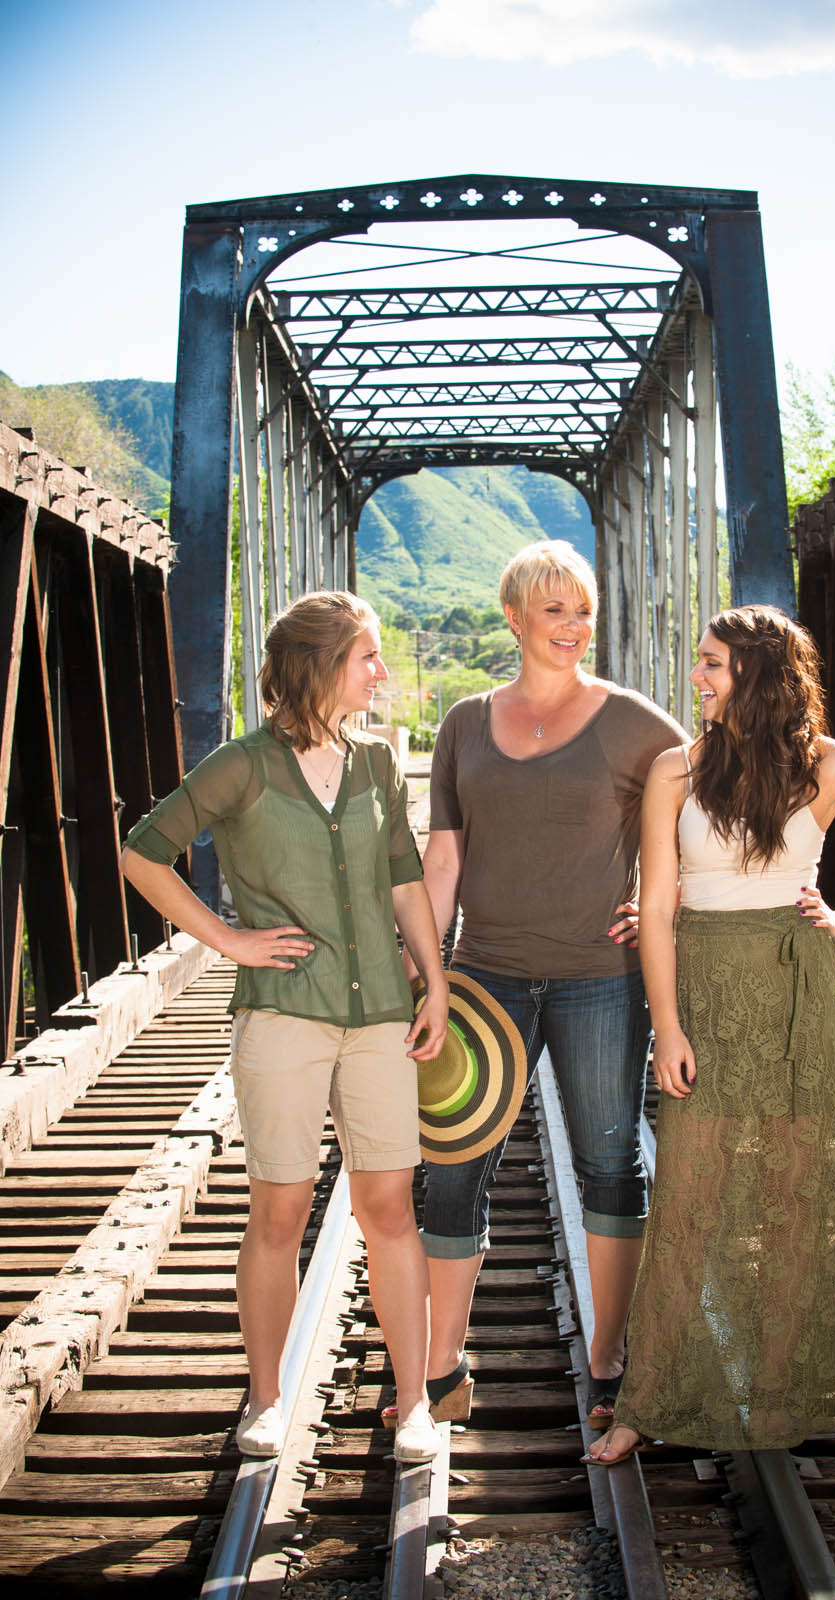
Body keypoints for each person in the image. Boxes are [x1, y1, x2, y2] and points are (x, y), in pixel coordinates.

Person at [587, 603, 835, 1465]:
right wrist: (666, 1027)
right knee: (691, 1199)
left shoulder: (831, 766)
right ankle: (650, 1399)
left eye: (711, 663)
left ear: (754, 673)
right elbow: (659, 905)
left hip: (794, 992)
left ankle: (781, 1394)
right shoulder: (677, 768)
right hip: (702, 987)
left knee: (794, 1194)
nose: (698, 676)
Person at [120, 590, 449, 1465]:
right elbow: (140, 850)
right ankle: (264, 1401)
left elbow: (403, 878)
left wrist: (436, 981)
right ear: (319, 666)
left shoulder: (376, 763)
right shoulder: (242, 766)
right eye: (368, 656)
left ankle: (412, 1403)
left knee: (388, 1206)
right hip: (282, 1016)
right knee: (280, 1207)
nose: (382, 671)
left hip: (379, 1010)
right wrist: (226, 938)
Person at [389, 540, 687, 1431]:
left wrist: (668, 904)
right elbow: (443, 856)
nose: (572, 626)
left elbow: (711, 817)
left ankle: (607, 1356)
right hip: (486, 978)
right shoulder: (464, 724)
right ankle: (443, 1360)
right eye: (553, 609)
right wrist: (426, 969)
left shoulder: (636, 723)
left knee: (608, 1163)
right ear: (513, 616)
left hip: (602, 978)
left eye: (583, 609)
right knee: (452, 1167)